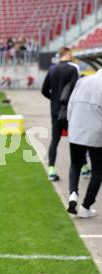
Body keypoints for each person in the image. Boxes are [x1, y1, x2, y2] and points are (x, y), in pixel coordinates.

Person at [66, 69, 102, 218]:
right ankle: (85, 206)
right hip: (96, 133)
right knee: (98, 171)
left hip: (76, 129)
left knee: (75, 164)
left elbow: (70, 105)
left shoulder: (83, 81)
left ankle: (73, 193)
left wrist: (71, 124)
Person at [41, 46, 79, 181]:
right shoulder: (73, 69)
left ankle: (51, 170)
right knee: (76, 140)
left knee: (55, 140)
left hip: (55, 111)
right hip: (69, 111)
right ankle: (84, 168)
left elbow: (44, 90)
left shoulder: (52, 69)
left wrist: (54, 99)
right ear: (67, 54)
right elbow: (76, 90)